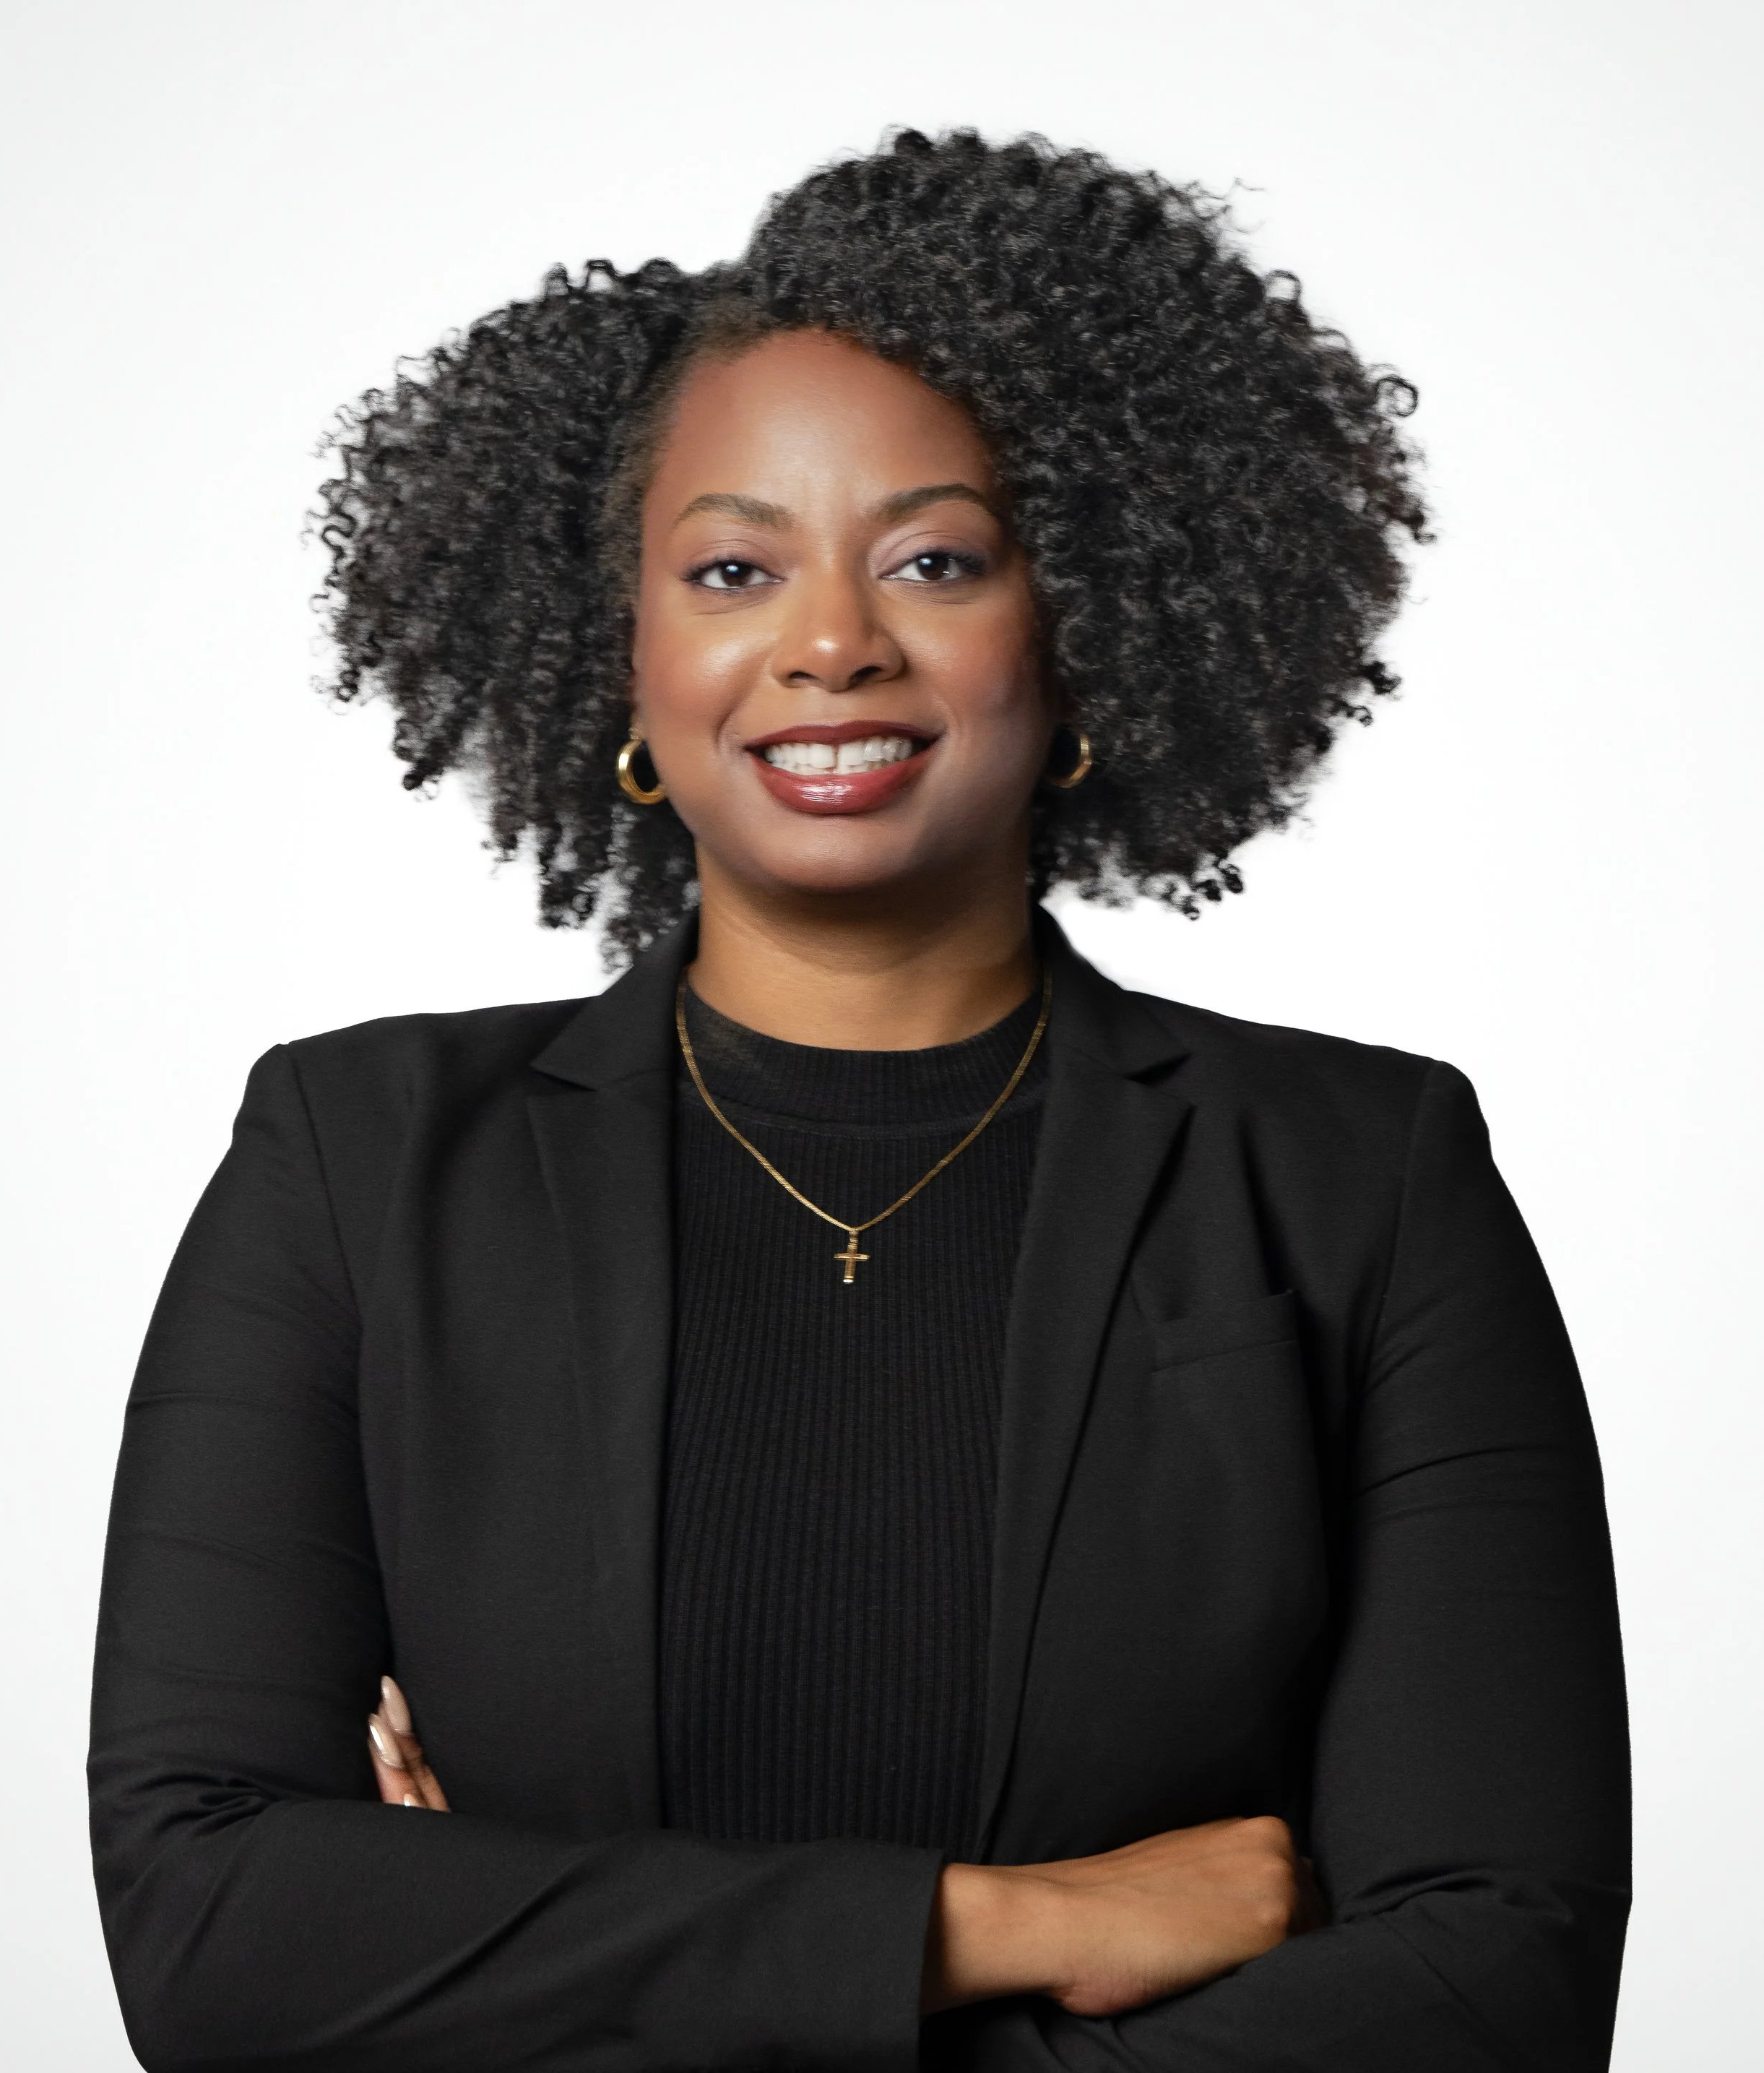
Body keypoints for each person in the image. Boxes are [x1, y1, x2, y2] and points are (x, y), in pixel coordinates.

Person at [87, 129, 1629, 2071]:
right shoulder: (357, 1163)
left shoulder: (1358, 1179)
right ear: (625, 651)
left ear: (1083, 629)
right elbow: (213, 1929)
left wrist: (527, 1960)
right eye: (734, 568)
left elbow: (1495, 1978)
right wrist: (1004, 1927)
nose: (831, 643)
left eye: (935, 560)